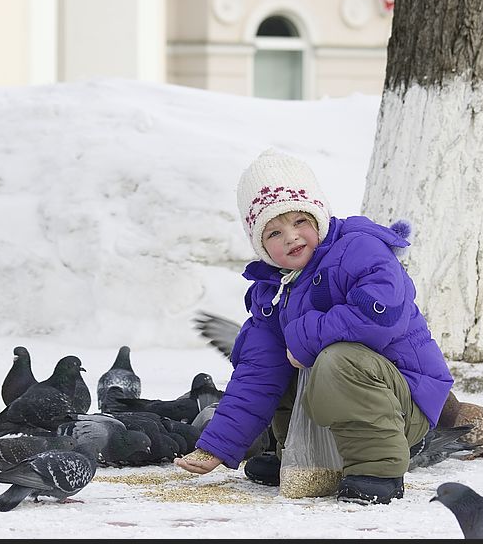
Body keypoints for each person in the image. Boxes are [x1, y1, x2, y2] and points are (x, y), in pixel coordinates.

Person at [175, 148, 454, 504]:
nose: (290, 237)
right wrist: (216, 445)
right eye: (274, 232)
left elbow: (380, 318)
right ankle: (302, 457)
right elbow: (257, 374)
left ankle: (377, 468)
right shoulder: (273, 292)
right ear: (260, 246)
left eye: (300, 222)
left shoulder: (362, 250)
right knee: (277, 364)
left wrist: (302, 339)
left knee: (337, 358)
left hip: (400, 406)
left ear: (319, 218)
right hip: (349, 401)